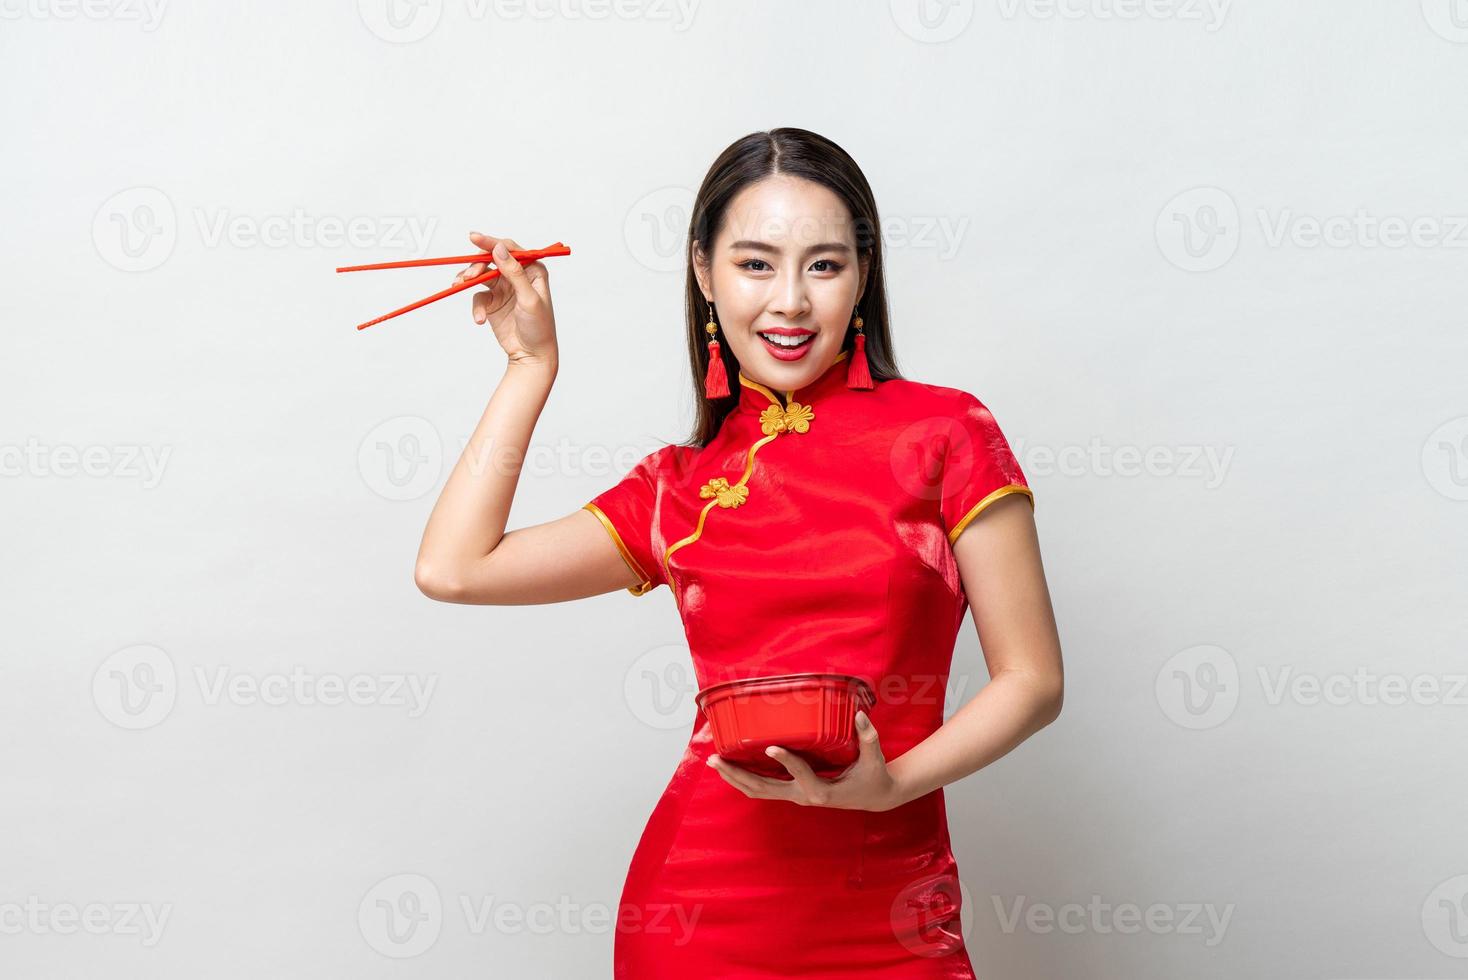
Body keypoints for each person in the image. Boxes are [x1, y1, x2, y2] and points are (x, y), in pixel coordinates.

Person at [413, 127, 1064, 977]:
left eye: (824, 265)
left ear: (863, 275)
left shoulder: (945, 433)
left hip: (894, 915)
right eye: (756, 264)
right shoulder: (680, 485)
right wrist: (531, 365)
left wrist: (893, 785)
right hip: (701, 912)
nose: (790, 301)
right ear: (703, 273)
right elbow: (455, 568)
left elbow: (1034, 680)